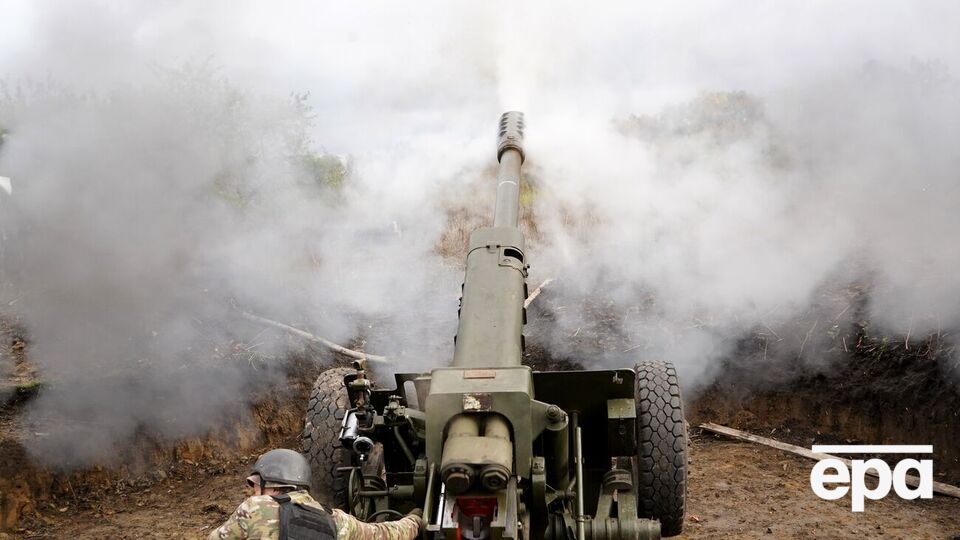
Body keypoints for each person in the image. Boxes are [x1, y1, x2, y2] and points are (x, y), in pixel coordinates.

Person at [209, 449, 422, 540]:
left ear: (270, 482)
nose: (253, 491)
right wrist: (415, 519)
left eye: (255, 484)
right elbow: (386, 534)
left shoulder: (255, 507)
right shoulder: (337, 521)